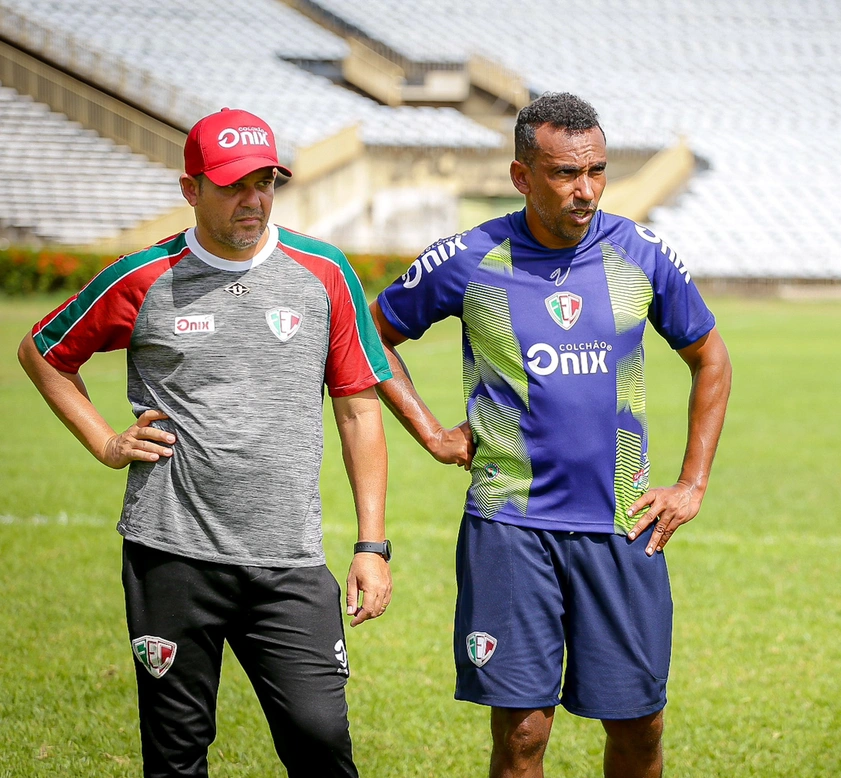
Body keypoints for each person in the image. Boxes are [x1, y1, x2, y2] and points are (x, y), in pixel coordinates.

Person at [17, 107, 394, 778]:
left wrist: (371, 544)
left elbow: (359, 412)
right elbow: (45, 352)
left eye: (266, 182)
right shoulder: (141, 276)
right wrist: (106, 442)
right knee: (177, 755)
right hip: (170, 555)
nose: (253, 199)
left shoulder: (324, 273)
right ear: (191, 188)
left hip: (288, 559)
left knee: (321, 739)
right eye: (233, 184)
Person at [370, 92, 731, 778]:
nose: (586, 189)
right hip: (511, 526)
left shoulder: (641, 253)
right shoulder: (468, 257)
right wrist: (430, 433)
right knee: (523, 738)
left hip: (623, 528)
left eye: (596, 170)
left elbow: (710, 356)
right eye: (566, 173)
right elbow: (369, 334)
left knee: (639, 728)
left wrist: (692, 483)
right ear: (521, 176)